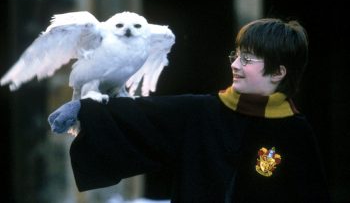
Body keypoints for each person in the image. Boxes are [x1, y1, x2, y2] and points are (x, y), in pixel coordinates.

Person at [49, 18, 330, 202]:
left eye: (248, 59)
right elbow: (141, 116)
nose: (234, 65)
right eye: (236, 56)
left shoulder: (295, 131)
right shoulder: (202, 112)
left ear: (278, 72)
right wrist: (84, 109)